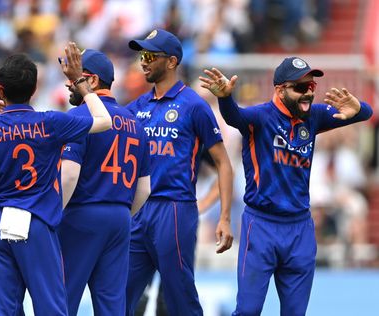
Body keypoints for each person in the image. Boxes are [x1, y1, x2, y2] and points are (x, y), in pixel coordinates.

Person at [199, 56, 373, 315]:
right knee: (247, 311)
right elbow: (234, 116)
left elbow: (365, 113)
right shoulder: (259, 117)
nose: (308, 95)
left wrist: (357, 106)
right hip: (261, 226)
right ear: (280, 89)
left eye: (311, 88)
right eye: (300, 88)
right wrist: (225, 98)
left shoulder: (314, 117)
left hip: (300, 229)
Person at [0, 44, 112, 315]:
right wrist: (80, 81)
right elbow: (104, 121)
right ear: (34, 90)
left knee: (5, 310)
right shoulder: (51, 123)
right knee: (51, 308)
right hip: (36, 221)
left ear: (0, 90)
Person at [125, 29, 234, 315]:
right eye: (141, 55)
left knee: (179, 296)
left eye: (150, 55)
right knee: (118, 294)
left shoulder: (194, 106)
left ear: (172, 61)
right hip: (137, 211)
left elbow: (223, 163)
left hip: (173, 210)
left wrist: (223, 216)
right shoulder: (137, 107)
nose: (143, 62)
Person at [58, 49, 151, 315]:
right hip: (120, 218)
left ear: (94, 81)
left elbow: (70, 174)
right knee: (112, 305)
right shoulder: (136, 123)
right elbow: (145, 188)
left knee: (62, 298)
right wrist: (120, 211)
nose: (68, 82)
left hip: (80, 216)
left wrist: (54, 214)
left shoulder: (78, 116)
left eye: (76, 76)